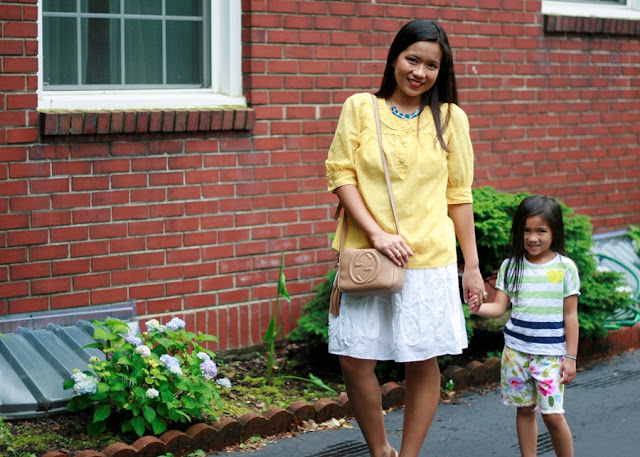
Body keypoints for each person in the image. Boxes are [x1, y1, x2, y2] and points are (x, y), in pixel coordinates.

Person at [325, 19, 485, 457]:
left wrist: (471, 266)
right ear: (394, 57)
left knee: (422, 359)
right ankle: (380, 449)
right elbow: (341, 174)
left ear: (441, 71)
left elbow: (459, 196)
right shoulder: (361, 108)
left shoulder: (451, 119)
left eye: (432, 65)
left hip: (428, 258)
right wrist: (377, 234)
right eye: (412, 59)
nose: (420, 72)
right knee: (354, 359)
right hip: (368, 256)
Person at [468, 195, 579, 457]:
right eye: (526, 230)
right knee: (525, 410)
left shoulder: (565, 268)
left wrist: (571, 357)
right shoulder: (511, 267)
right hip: (516, 354)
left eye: (541, 231)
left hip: (551, 356)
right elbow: (499, 307)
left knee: (553, 416)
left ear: (554, 232)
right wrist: (477, 307)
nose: (532, 238)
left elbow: (570, 315)